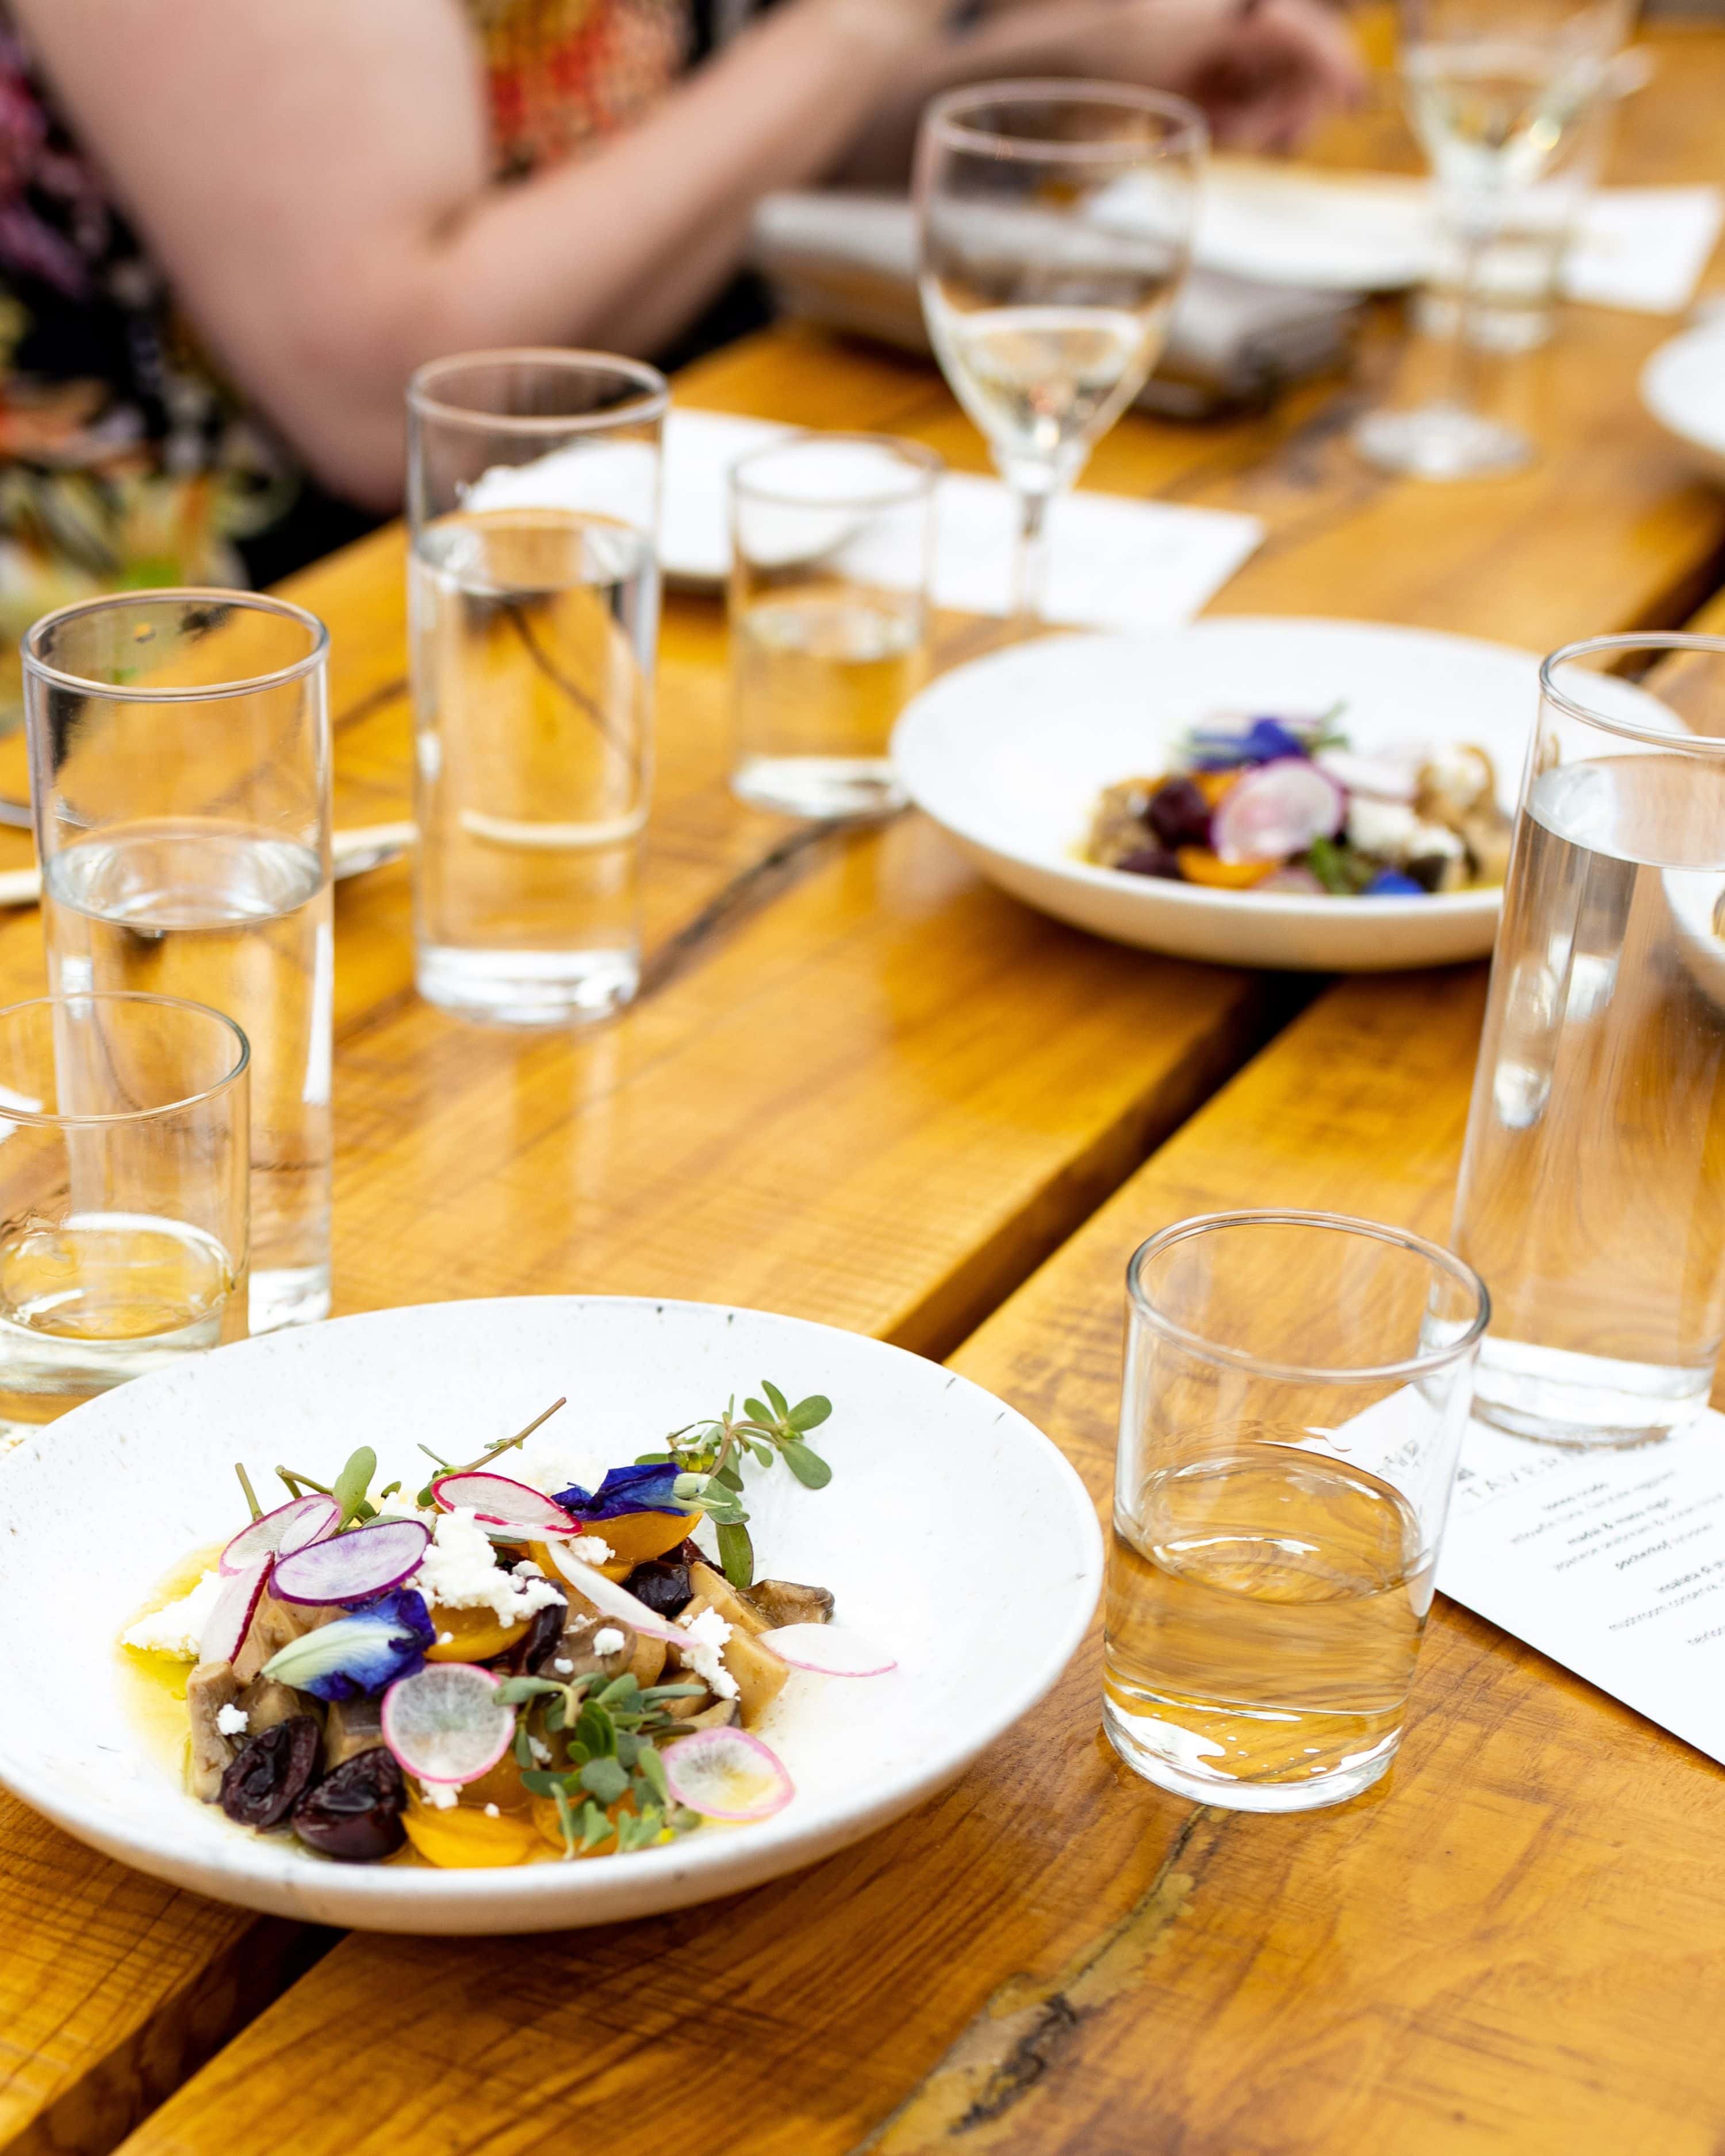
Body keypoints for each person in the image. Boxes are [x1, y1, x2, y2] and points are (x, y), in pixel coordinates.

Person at [0, 0, 1362, 632]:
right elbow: (404, 382)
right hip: (201, 698)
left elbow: (696, 169)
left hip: (580, 571)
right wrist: (871, 23)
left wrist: (1066, 72)